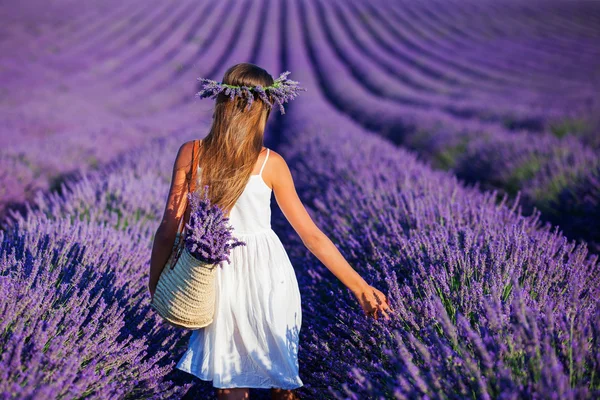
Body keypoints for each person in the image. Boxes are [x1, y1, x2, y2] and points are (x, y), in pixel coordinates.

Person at [148, 63, 393, 400]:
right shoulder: (270, 163)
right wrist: (359, 286)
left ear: (221, 101)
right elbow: (311, 236)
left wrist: (157, 283)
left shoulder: (191, 154)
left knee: (230, 381)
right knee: (282, 380)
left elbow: (168, 227)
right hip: (270, 275)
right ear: (264, 109)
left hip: (219, 275)